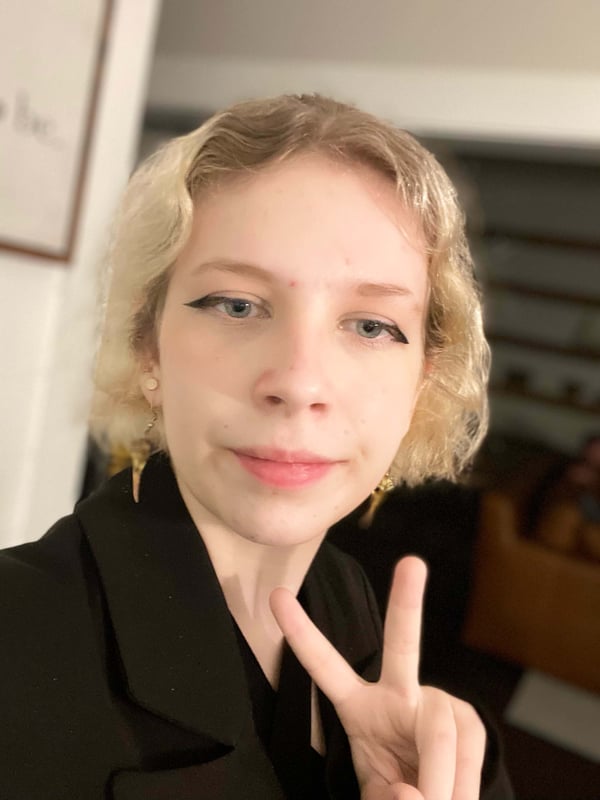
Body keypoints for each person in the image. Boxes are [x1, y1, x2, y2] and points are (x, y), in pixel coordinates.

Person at [0, 94, 512, 799]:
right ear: (148, 348)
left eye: (370, 325)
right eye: (237, 305)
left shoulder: (344, 593)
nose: (299, 383)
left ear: (422, 379)